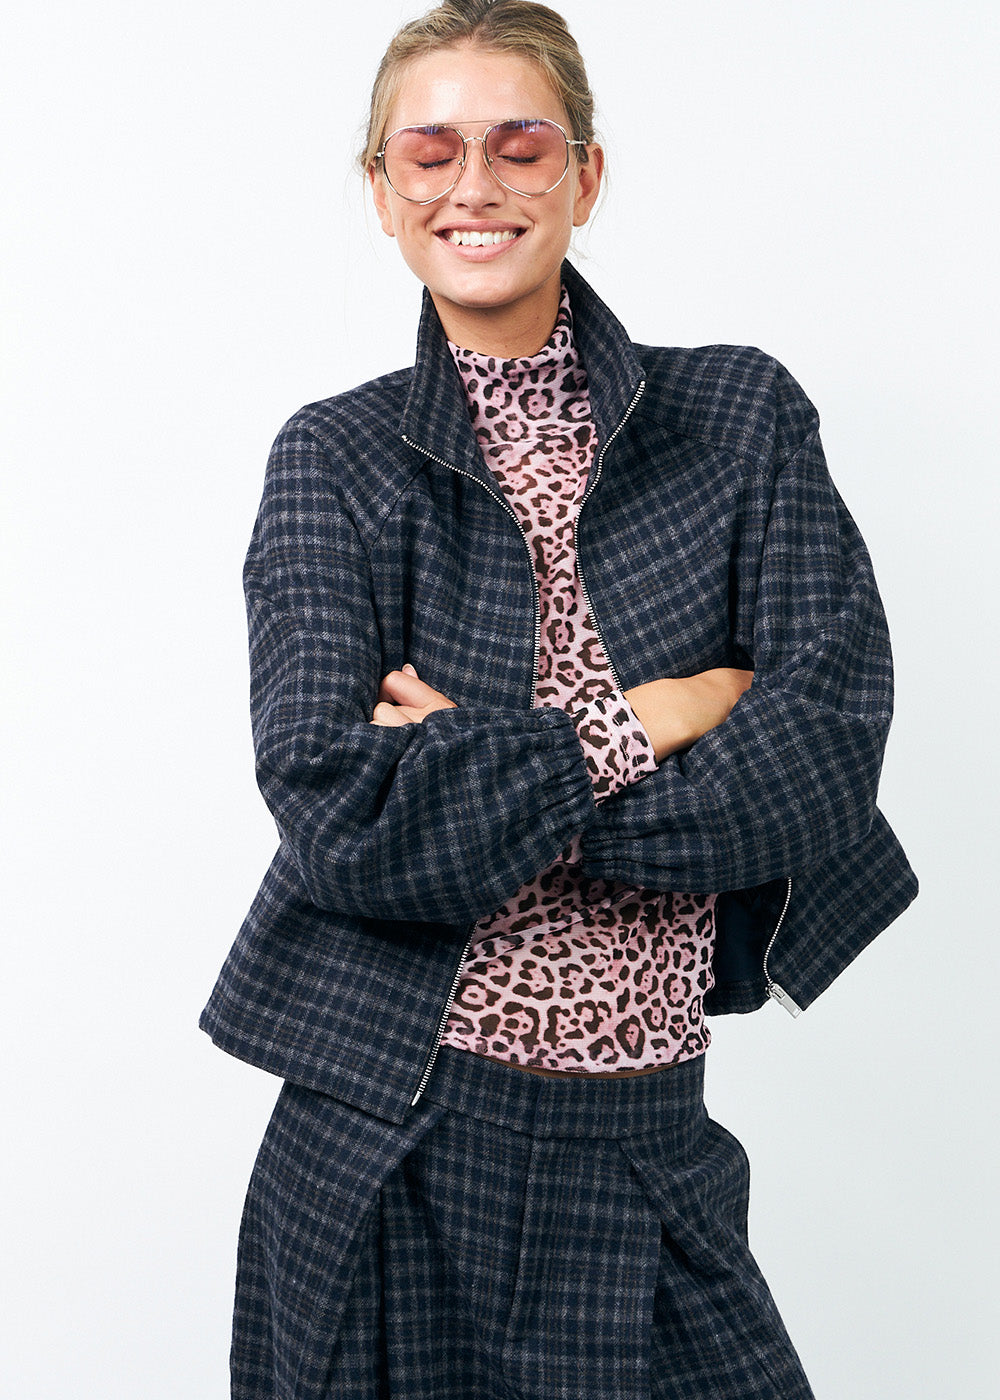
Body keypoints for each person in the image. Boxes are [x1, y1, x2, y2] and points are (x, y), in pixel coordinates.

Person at [200, 2, 918, 1396]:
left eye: (520, 145)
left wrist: (483, 773)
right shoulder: (334, 461)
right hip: (388, 1136)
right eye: (430, 152)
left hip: (650, 1138)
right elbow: (342, 822)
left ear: (585, 176)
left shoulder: (741, 419)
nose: (474, 185)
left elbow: (823, 754)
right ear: (382, 192)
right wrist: (653, 714)